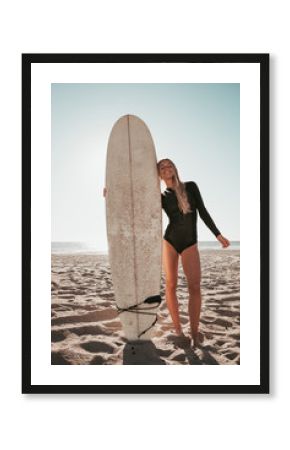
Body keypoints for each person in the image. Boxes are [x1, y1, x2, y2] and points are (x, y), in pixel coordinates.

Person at [157, 158, 230, 347]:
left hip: (190, 242)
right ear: (158, 174)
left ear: (174, 168)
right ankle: (178, 329)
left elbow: (203, 211)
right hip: (170, 241)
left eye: (169, 165)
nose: (166, 168)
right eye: (162, 167)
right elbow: (135, 202)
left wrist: (218, 235)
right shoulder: (161, 196)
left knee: (195, 287)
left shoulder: (190, 187)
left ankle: (194, 332)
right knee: (171, 285)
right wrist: (111, 192)